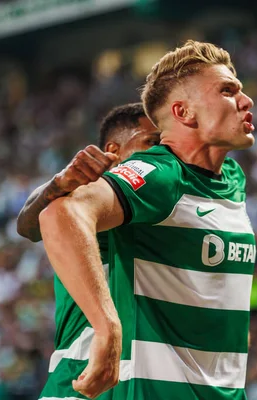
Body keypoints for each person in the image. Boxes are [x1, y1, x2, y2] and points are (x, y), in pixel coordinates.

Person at [38, 40, 256, 400]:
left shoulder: (231, 178)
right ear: (184, 113)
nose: (245, 101)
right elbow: (61, 213)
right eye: (227, 91)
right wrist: (107, 328)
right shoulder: (160, 174)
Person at [16, 103, 160, 399]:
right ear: (113, 151)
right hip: (82, 367)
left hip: (142, 375)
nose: (161, 154)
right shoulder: (95, 189)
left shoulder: (164, 194)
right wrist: (60, 184)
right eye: (151, 143)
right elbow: (29, 224)